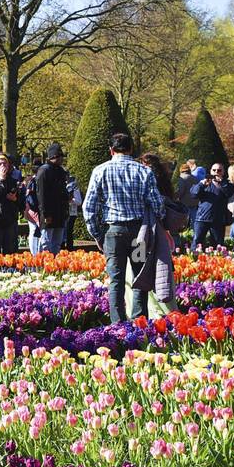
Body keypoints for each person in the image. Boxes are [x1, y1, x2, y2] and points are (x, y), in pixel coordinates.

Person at [82, 133, 163, 324]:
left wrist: (97, 234)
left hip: (114, 233)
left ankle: (117, 324)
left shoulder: (100, 171)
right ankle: (139, 321)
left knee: (116, 280)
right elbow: (157, 204)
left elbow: (88, 207)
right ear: (132, 149)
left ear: (111, 150)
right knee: (140, 278)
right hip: (139, 234)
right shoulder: (144, 171)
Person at [133, 153, 184, 317]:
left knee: (138, 268)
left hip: (140, 235)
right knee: (161, 267)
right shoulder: (164, 185)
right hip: (161, 234)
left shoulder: (143, 182)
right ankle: (166, 311)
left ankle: (146, 312)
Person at [30, 144, 71, 254]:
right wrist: (45, 214)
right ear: (54, 157)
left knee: (57, 243)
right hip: (49, 214)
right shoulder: (44, 171)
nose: (62, 159)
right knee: (46, 243)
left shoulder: (60, 171)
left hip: (60, 213)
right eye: (60, 156)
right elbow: (41, 195)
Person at [192, 162, 234, 251]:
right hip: (202, 218)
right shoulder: (204, 183)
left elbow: (230, 192)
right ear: (210, 171)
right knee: (197, 242)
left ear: (223, 172)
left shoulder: (226, 184)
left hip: (217, 219)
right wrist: (201, 185)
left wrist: (222, 182)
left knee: (218, 245)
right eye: (214, 170)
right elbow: (194, 194)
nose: (216, 172)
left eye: (219, 170)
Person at [64, 172, 82, 251]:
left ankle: (69, 249)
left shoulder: (74, 187)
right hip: (62, 212)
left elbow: (79, 202)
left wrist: (71, 200)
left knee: (68, 231)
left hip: (71, 212)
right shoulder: (60, 185)